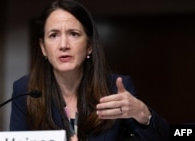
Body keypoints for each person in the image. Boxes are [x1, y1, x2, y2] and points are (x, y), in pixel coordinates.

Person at [10, 0, 169, 140]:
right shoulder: (25, 90)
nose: (64, 45)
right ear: (43, 48)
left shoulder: (115, 88)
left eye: (73, 34)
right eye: (54, 35)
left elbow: (168, 136)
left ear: (89, 46)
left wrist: (143, 113)